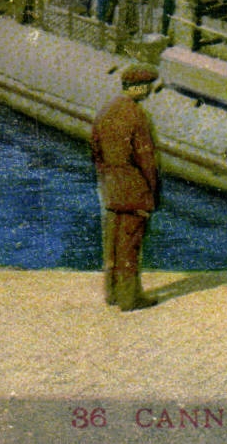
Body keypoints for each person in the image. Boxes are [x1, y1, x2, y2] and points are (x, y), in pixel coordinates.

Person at [89, 63, 161, 311]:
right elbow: (147, 160)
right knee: (130, 245)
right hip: (135, 189)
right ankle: (130, 298)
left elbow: (95, 150)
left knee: (113, 242)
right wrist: (153, 192)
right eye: (148, 87)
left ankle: (112, 292)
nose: (150, 91)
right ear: (139, 88)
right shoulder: (137, 116)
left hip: (111, 187)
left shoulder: (106, 111)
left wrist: (107, 175)